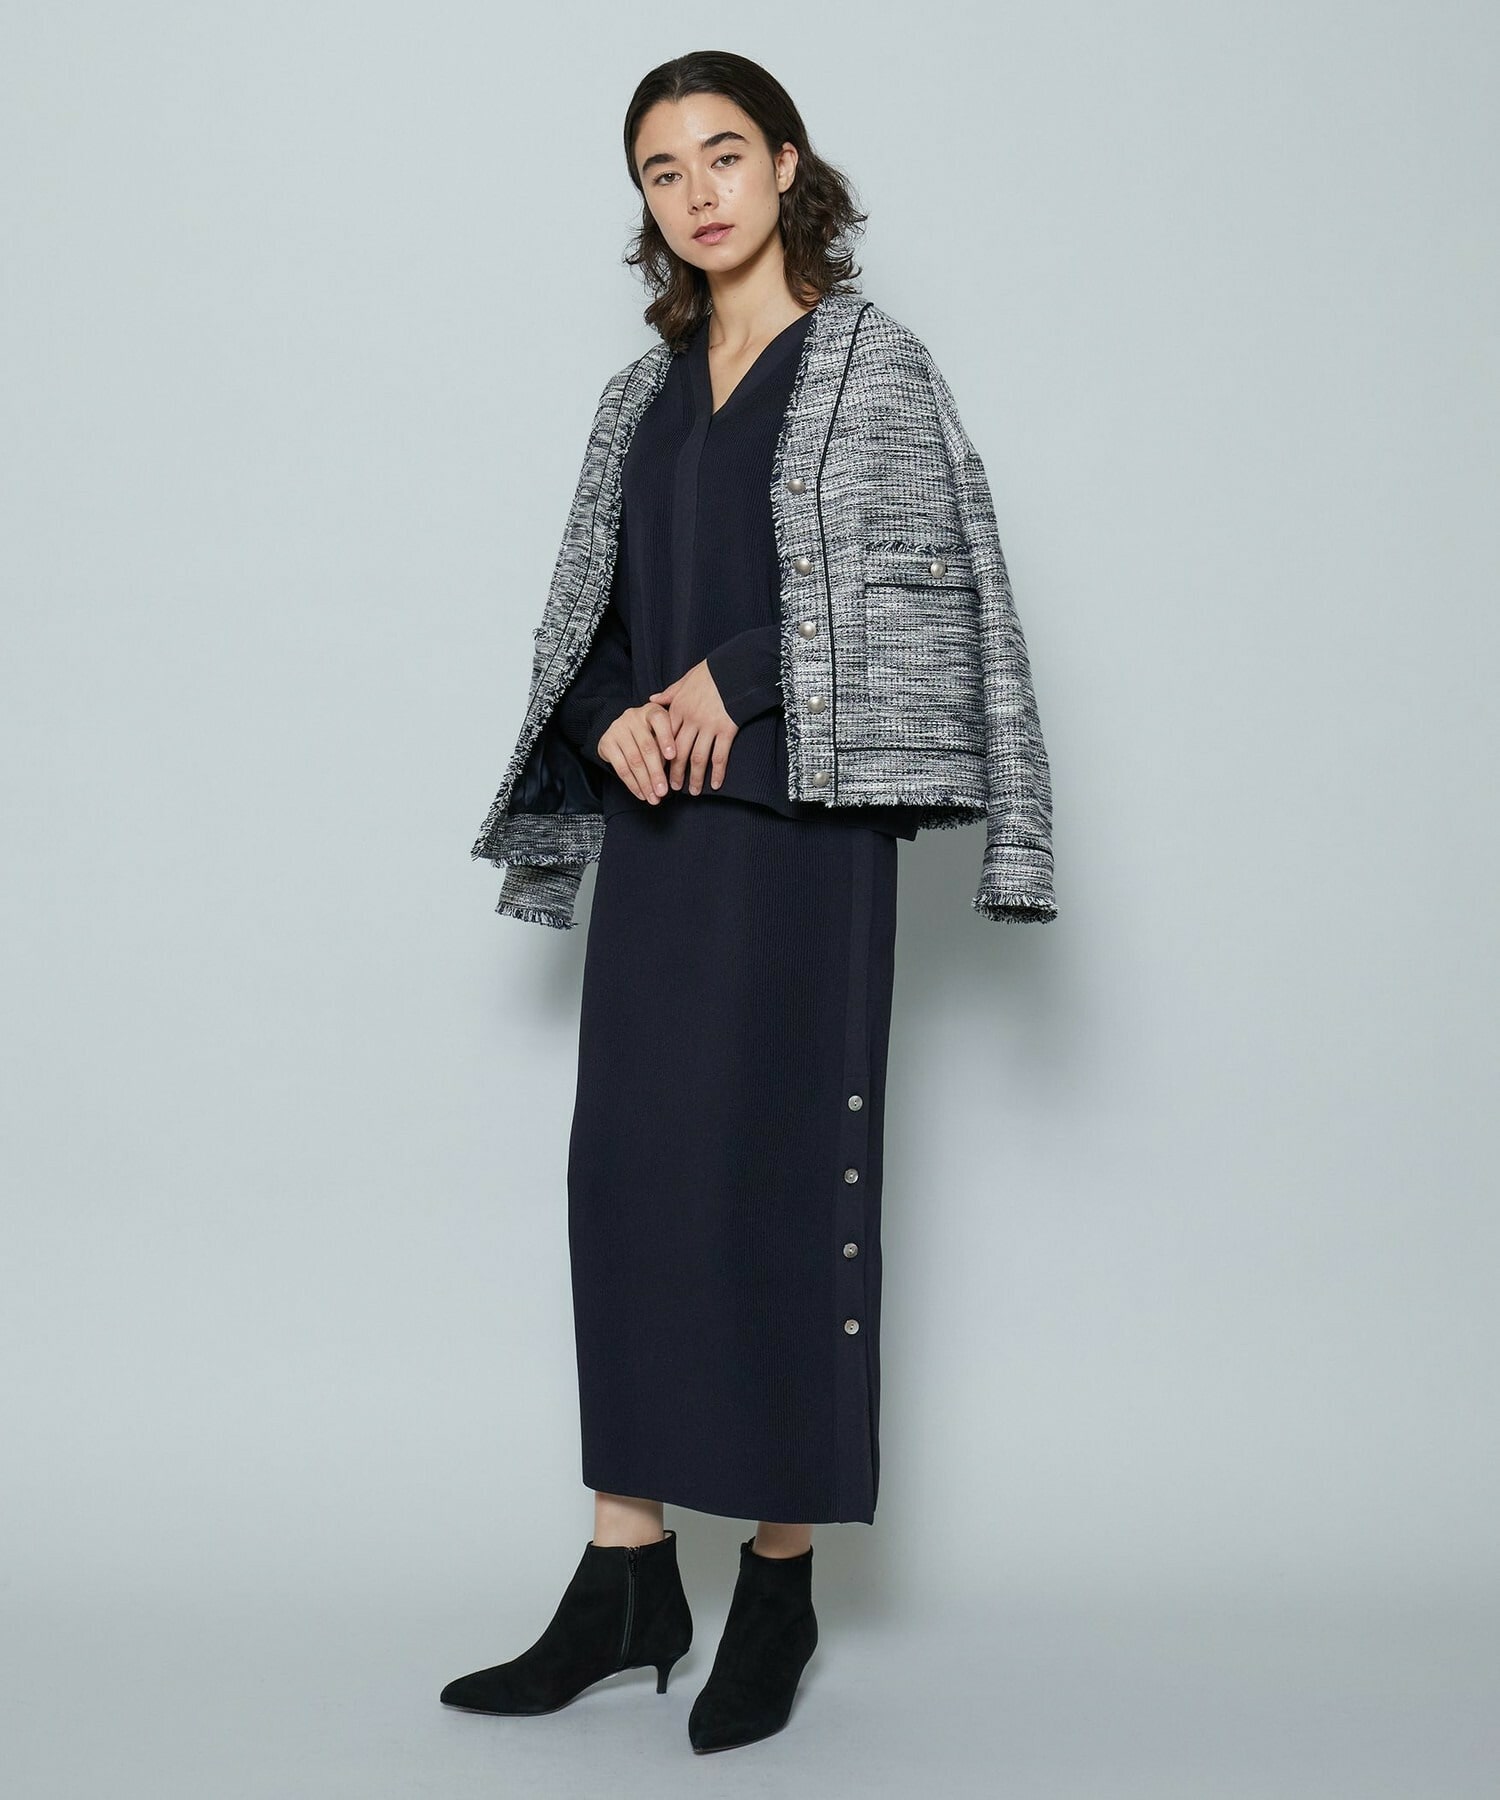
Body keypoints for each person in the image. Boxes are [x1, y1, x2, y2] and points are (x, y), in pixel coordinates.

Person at [444, 51, 1055, 1755]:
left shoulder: (874, 366)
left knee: (780, 1187)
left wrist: (739, 673)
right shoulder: (636, 397)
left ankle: (778, 1583)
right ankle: (625, 1571)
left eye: (724, 154)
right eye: (663, 170)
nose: (699, 192)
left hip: (803, 831)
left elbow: (917, 581)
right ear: (644, 203)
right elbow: (589, 625)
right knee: (630, 1186)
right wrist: (613, 718)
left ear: (788, 165)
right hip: (662, 839)